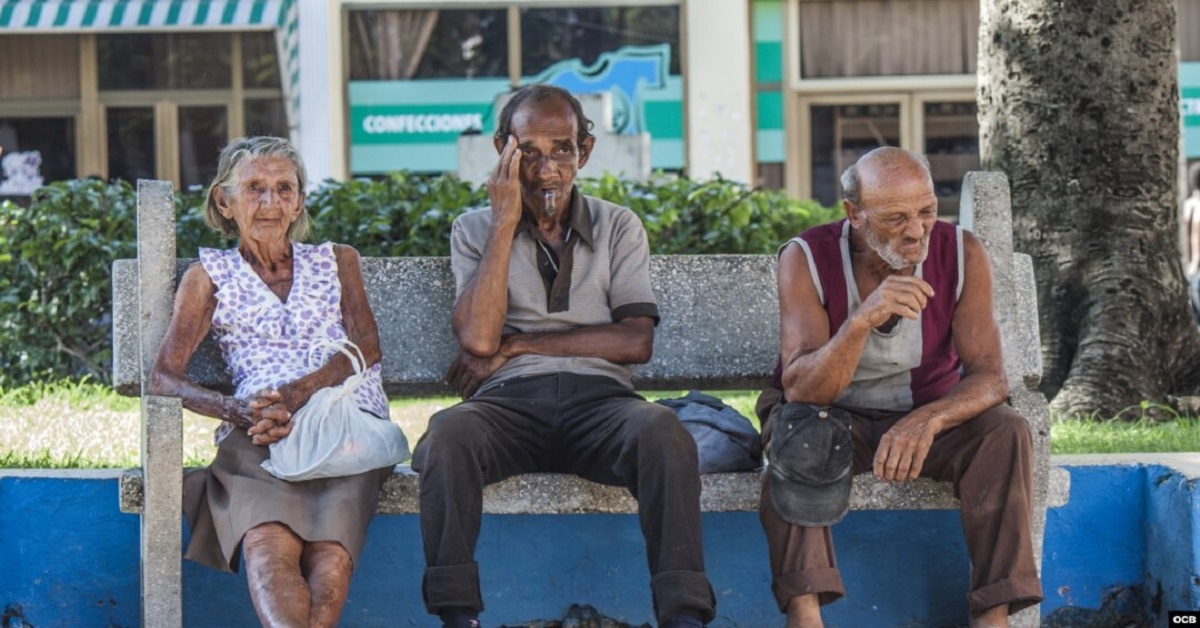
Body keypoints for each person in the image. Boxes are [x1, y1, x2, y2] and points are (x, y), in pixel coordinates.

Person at [411, 84, 716, 628]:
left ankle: (684, 616)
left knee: (664, 431)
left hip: (603, 406)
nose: (546, 167)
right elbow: (478, 342)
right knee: (447, 435)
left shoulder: (618, 225)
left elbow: (634, 341)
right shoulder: (475, 229)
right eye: (528, 149)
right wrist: (505, 223)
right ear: (503, 147)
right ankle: (458, 617)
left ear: (586, 151)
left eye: (562, 149)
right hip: (508, 406)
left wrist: (521, 343)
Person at [757, 147, 1042, 627]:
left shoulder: (962, 252)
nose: (915, 230)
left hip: (925, 417)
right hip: (830, 417)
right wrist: (859, 322)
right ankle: (805, 618)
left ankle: (994, 617)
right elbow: (802, 388)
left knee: (1005, 431)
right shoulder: (805, 257)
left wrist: (927, 420)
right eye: (895, 218)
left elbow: (991, 376)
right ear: (855, 214)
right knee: (798, 434)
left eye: (927, 211)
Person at [149, 136, 399, 627]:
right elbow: (163, 378)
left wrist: (301, 392)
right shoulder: (208, 277)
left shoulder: (337, 260)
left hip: (344, 431)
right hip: (260, 433)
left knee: (331, 550)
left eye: (285, 188)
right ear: (225, 200)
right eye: (255, 188)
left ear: (300, 200)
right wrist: (234, 411)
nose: (271, 202)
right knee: (267, 543)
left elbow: (367, 347)